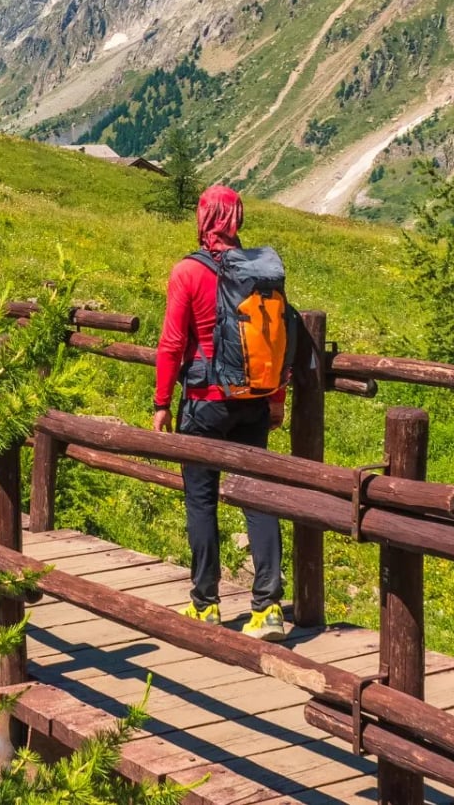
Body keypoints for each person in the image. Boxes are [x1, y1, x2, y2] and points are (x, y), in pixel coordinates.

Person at [151, 184, 290, 640]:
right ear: (238, 219)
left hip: (206, 401)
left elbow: (173, 343)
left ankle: (205, 603)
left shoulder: (187, 272)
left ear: (203, 218)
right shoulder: (261, 272)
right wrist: (275, 400)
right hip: (253, 400)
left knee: (201, 498)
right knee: (257, 497)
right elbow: (276, 341)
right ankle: (268, 608)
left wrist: (161, 403)